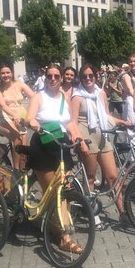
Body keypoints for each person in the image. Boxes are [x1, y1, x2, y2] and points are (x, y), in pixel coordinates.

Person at [25, 64, 82, 253]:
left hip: (61, 143)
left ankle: (61, 228)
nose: (53, 79)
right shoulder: (38, 97)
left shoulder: (64, 97)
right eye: (49, 76)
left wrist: (78, 137)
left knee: (64, 190)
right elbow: (29, 118)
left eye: (56, 76)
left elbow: (69, 122)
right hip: (43, 143)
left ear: (61, 78)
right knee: (53, 191)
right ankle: (62, 237)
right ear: (45, 77)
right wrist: (34, 124)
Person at [69, 64, 130, 223]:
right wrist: (80, 141)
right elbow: (73, 123)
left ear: (95, 77)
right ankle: (92, 213)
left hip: (103, 137)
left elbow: (107, 116)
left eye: (90, 76)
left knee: (112, 176)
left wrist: (123, 122)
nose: (88, 79)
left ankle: (123, 212)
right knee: (90, 177)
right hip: (87, 138)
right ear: (81, 79)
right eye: (84, 77)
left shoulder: (101, 93)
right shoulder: (77, 97)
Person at [0, 64, 35, 169]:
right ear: (0, 74)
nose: (6, 75)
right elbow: (2, 106)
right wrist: (14, 114)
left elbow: (34, 96)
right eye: (3, 73)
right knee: (17, 137)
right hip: (4, 117)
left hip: (19, 116)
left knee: (24, 146)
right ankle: (16, 170)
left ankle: (22, 168)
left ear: (12, 73)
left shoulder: (19, 84)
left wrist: (33, 112)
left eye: (8, 72)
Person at [121, 53, 135, 124]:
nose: (133, 63)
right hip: (133, 101)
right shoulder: (127, 75)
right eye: (130, 61)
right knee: (133, 126)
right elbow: (131, 90)